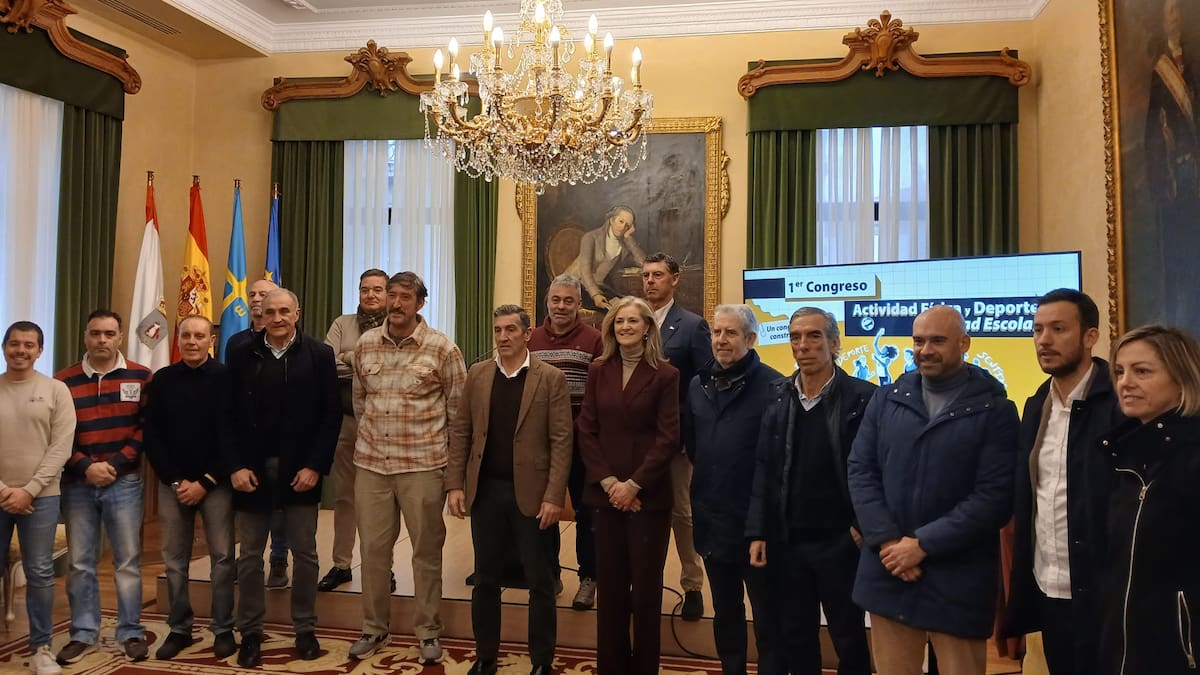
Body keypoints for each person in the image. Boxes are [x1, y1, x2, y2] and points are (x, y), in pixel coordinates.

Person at [847, 305, 1018, 675]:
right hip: (889, 570)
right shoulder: (886, 398)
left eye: (937, 341)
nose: (925, 350)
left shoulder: (997, 411)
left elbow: (994, 497)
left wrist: (921, 545)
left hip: (957, 578)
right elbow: (861, 471)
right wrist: (890, 543)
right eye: (918, 341)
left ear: (964, 343)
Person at [1000, 289, 1124, 675]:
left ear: (1090, 336)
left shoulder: (1120, 402)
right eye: (1037, 330)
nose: (1044, 340)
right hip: (1048, 587)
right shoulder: (1036, 404)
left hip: (1106, 595)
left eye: (1058, 329)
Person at [746, 307, 875, 675]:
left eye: (813, 336)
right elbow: (764, 467)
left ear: (834, 343)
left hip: (842, 541)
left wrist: (862, 525)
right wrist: (758, 530)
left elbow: (877, 471)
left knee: (849, 637)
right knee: (796, 637)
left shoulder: (864, 398)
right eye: (795, 337)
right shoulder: (777, 396)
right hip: (790, 541)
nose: (803, 345)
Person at [447, 304, 573, 675]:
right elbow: (462, 432)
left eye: (510, 330)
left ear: (526, 334)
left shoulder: (550, 378)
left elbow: (562, 441)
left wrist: (554, 496)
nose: (502, 337)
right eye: (498, 330)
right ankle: (486, 657)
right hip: (486, 493)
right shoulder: (478, 374)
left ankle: (541, 662)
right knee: (486, 579)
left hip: (533, 497)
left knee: (539, 581)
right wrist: (455, 484)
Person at [348, 271, 466, 664]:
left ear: (419, 303)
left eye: (405, 297)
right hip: (372, 466)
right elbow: (360, 404)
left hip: (422, 466)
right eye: (392, 296)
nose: (396, 304)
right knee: (373, 551)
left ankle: (429, 631)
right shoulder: (365, 345)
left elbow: (458, 416)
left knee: (426, 553)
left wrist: (454, 477)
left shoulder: (442, 350)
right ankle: (373, 627)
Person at [226, 289, 341, 666]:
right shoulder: (241, 351)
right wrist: (236, 466)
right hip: (252, 471)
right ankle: (251, 634)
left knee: (305, 554)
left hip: (301, 471)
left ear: (297, 313)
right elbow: (227, 416)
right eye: (270, 311)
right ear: (261, 313)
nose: (277, 318)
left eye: (284, 311)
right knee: (250, 557)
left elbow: (331, 416)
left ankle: (305, 629)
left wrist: (315, 466)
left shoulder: (319, 355)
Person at [578, 295, 680, 675]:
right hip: (606, 498)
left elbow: (668, 438)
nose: (624, 328)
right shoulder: (598, 369)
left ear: (647, 328)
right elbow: (586, 429)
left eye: (632, 322)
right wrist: (610, 484)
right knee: (612, 592)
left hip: (648, 500)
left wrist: (633, 485)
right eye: (619, 322)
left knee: (646, 594)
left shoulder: (667, 375)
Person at [1096, 324, 1200, 675]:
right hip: (1124, 649)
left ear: (1181, 377)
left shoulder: (1191, 457)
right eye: (1120, 371)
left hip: (1179, 652)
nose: (1125, 382)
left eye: (1142, 371)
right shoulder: (1121, 458)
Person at [685, 305, 783, 675]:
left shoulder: (776, 387)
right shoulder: (698, 385)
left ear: (751, 339)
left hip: (757, 527)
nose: (721, 340)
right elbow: (694, 448)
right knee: (725, 610)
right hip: (712, 521)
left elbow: (776, 464)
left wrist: (762, 525)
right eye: (716, 333)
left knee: (767, 613)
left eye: (731, 333)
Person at [54, 310, 152, 665]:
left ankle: (130, 631)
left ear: (121, 337)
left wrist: (113, 464)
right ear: (85, 336)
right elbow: (59, 434)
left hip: (123, 481)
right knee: (81, 562)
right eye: (95, 333)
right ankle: (82, 632)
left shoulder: (141, 376)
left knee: (127, 562)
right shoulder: (63, 380)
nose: (102, 340)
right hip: (78, 483)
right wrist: (86, 466)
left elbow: (146, 429)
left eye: (109, 334)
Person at [142, 316, 239, 660]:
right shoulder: (163, 380)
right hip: (175, 485)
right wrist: (176, 481)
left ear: (211, 340)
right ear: (178, 340)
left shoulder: (228, 378)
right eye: (187, 335)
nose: (193, 341)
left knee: (224, 558)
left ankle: (224, 627)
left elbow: (233, 436)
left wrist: (206, 482)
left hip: (217, 484)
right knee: (174, 560)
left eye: (200, 335)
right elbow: (152, 436)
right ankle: (180, 628)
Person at [0, 321, 74, 675]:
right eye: (14, 344)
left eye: (29, 345)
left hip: (41, 497)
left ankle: (41, 647)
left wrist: (28, 490)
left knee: (40, 572)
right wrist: (5, 491)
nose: (21, 351)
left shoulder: (56, 390)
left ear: (40, 350)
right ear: (4, 348)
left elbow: (61, 447)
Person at [528, 274, 604, 609]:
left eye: (569, 301)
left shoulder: (595, 340)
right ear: (547, 301)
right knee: (542, 513)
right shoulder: (530, 340)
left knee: (588, 514)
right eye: (556, 300)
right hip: (540, 445)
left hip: (581, 445)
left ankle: (589, 578)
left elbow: (600, 395)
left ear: (579, 304)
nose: (561, 306)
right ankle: (550, 575)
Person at [642, 251, 710, 619]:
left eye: (657, 275)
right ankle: (643, 584)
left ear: (674, 279)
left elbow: (703, 385)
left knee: (682, 514)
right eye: (646, 275)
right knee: (642, 514)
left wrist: (691, 435)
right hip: (636, 439)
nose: (650, 281)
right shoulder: (631, 321)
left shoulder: (691, 325)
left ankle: (692, 584)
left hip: (677, 440)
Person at [317, 268, 389, 592]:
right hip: (346, 422)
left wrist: (350, 357)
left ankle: (381, 569)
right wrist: (364, 362)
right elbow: (326, 364)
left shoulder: (396, 326)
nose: (370, 295)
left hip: (383, 426)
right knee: (345, 497)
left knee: (381, 501)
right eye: (365, 290)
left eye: (377, 290)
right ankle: (341, 564)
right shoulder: (341, 324)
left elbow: (392, 368)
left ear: (387, 294)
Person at [224, 277, 292, 589]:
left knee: (280, 507)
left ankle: (279, 556)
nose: (255, 299)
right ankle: (249, 557)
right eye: (252, 294)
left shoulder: (295, 346)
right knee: (250, 507)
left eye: (262, 294)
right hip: (249, 445)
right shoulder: (237, 344)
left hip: (283, 443)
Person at [564, 206, 647, 310]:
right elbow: (585, 271)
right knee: (615, 310)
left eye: (627, 225)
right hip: (575, 285)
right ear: (612, 220)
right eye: (621, 221)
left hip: (600, 287)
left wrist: (628, 237)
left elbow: (644, 264)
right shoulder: (591, 237)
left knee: (627, 306)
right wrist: (595, 295)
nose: (623, 227)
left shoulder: (624, 246)